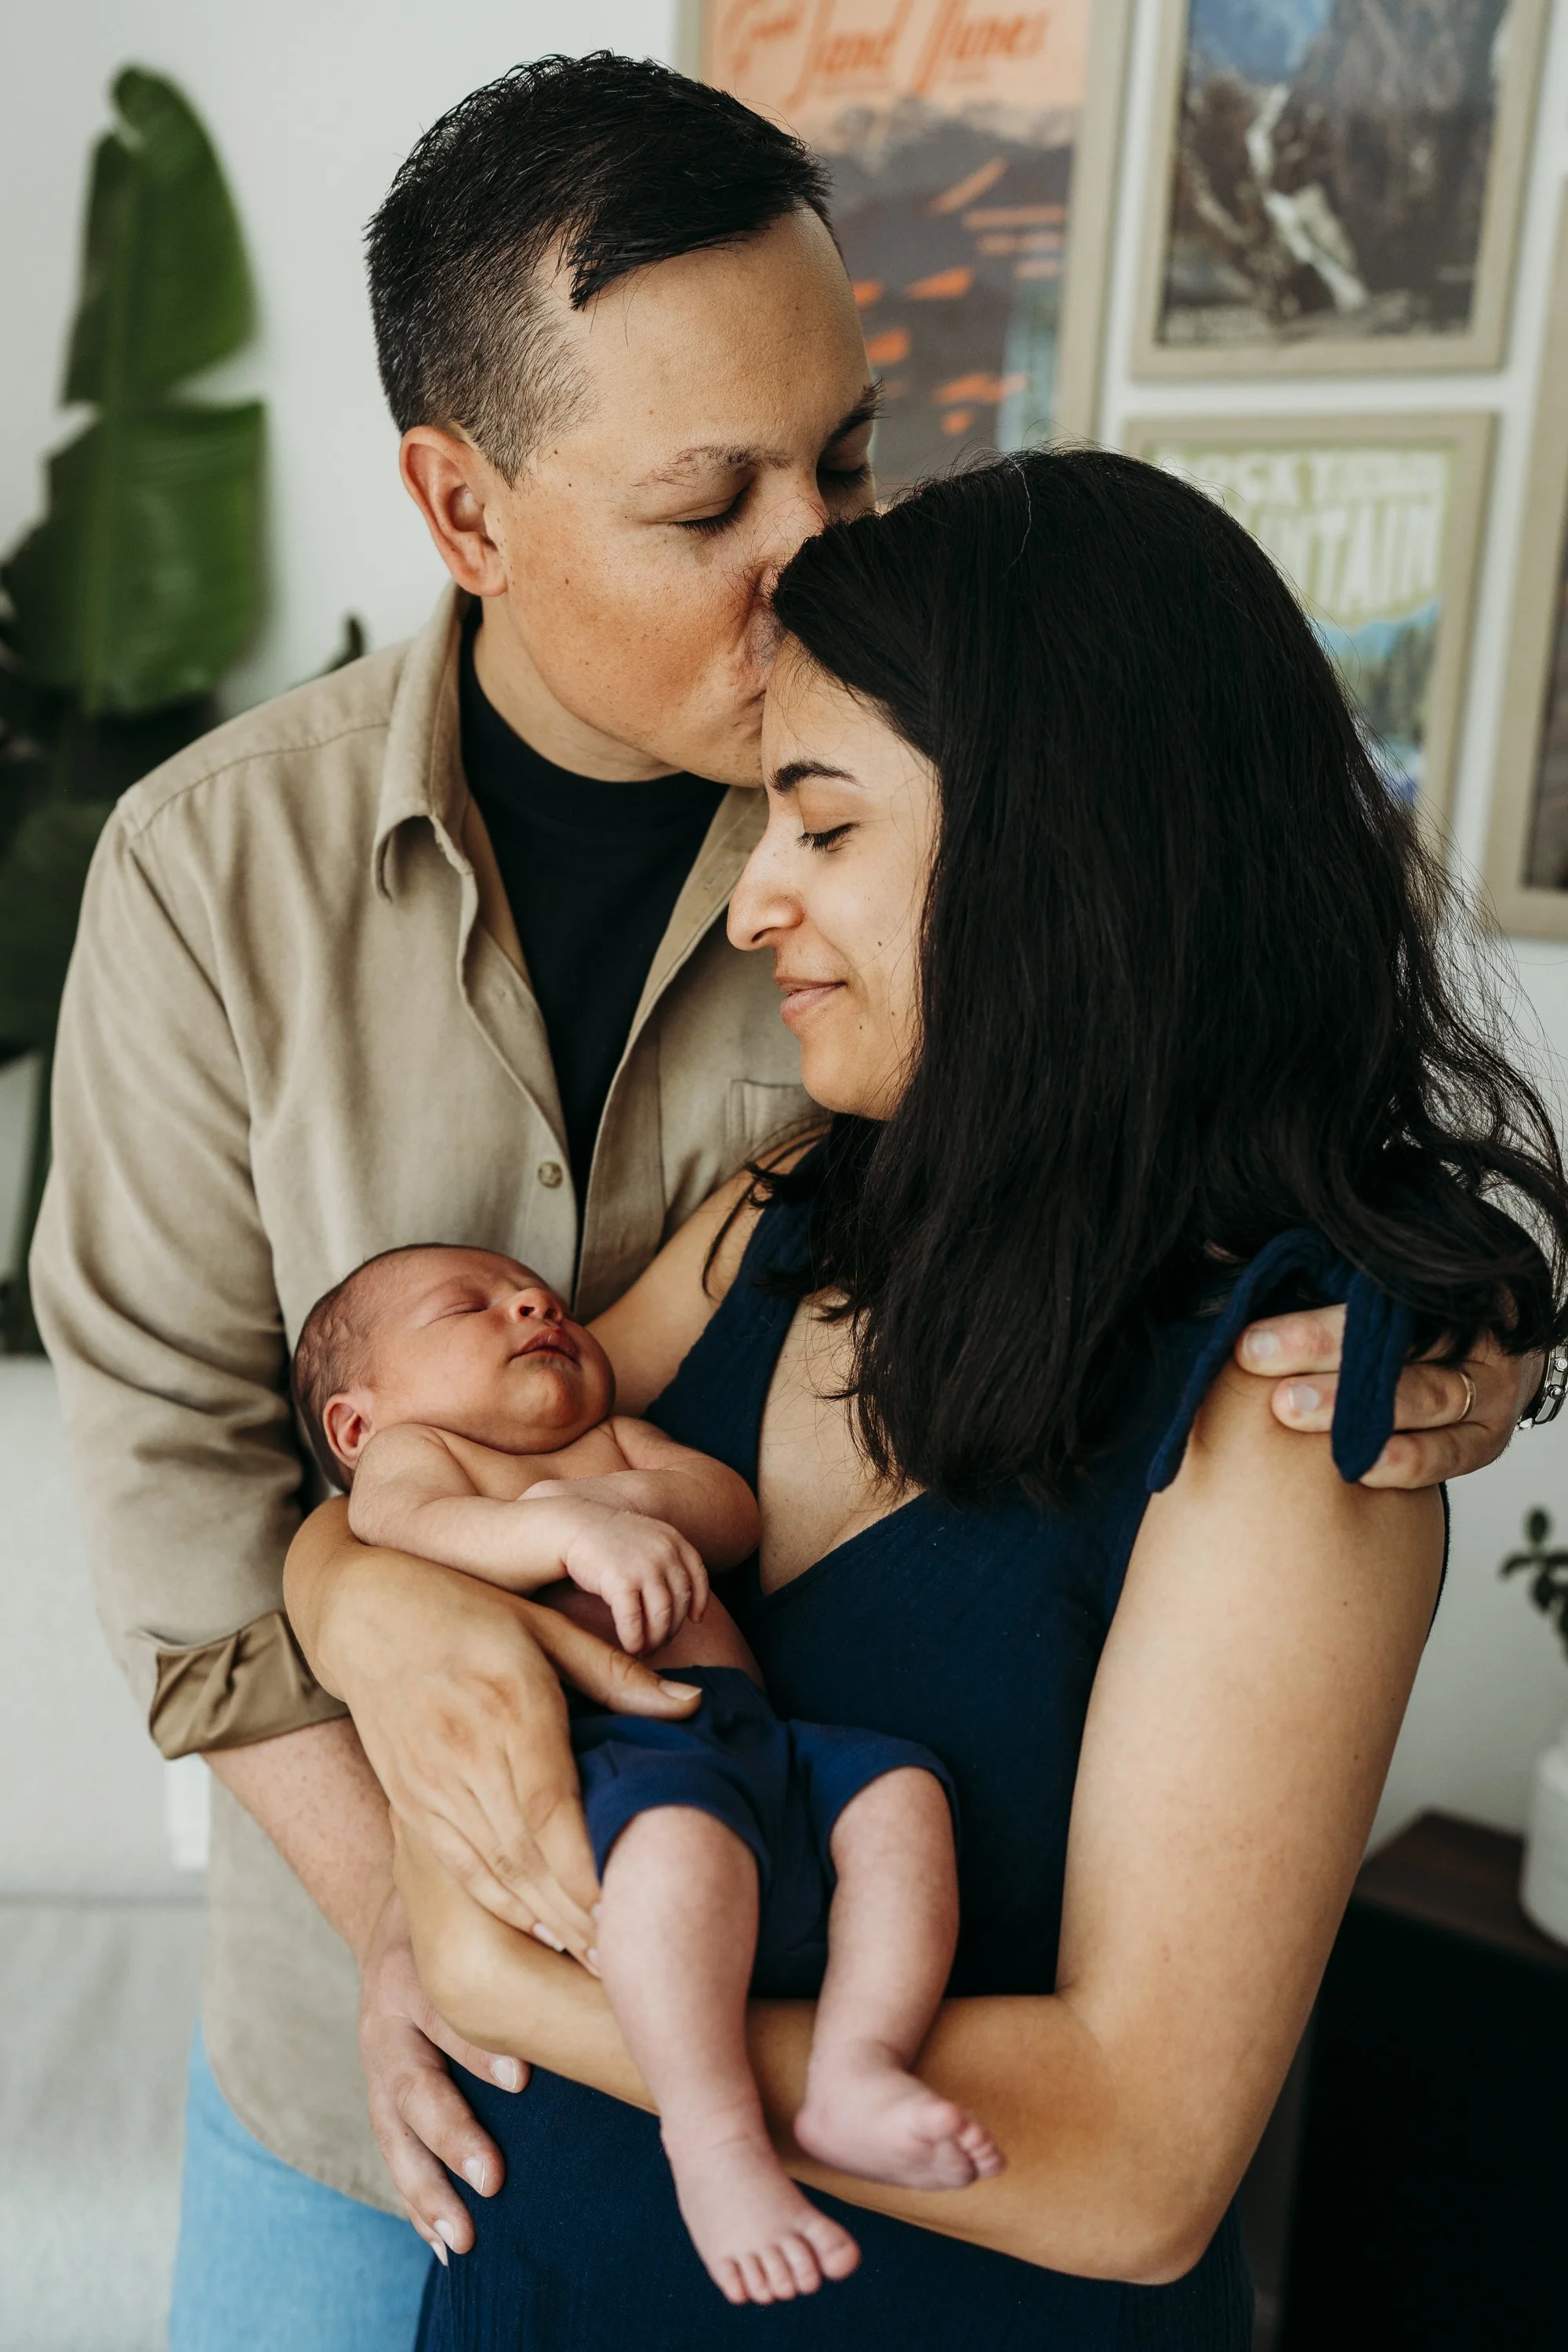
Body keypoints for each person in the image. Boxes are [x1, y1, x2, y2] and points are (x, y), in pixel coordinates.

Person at [27, 53, 1535, 2352]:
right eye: (706, 499)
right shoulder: (227, 875)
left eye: (840, 457)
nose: (810, 550)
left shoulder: (945, 774)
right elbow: (178, 1480)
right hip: (416, 2117)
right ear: (466, 509)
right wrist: (408, 1788)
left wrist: (1473, 1321)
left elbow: (1138, 2153)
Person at [289, 448, 1568, 2349]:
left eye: (820, 827)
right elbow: (393, 1476)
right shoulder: (775, 1221)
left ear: (1058, 857)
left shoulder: (1292, 1422)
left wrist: (499, 1969)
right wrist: (368, 1602)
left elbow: (1139, 2168)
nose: (754, 910)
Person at [295, 1241, 997, 2301]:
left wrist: (626, 1502)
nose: (531, 1301)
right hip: (606, 1758)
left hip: (750, 1735)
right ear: (359, 1422)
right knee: (679, 1853)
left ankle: (859, 2065)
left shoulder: (614, 1440)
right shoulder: (423, 1461)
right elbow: (394, 1527)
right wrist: (557, 1529)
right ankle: (715, 2142)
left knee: (902, 1795)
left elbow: (727, 1511)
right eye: (466, 1307)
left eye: (537, 1297)